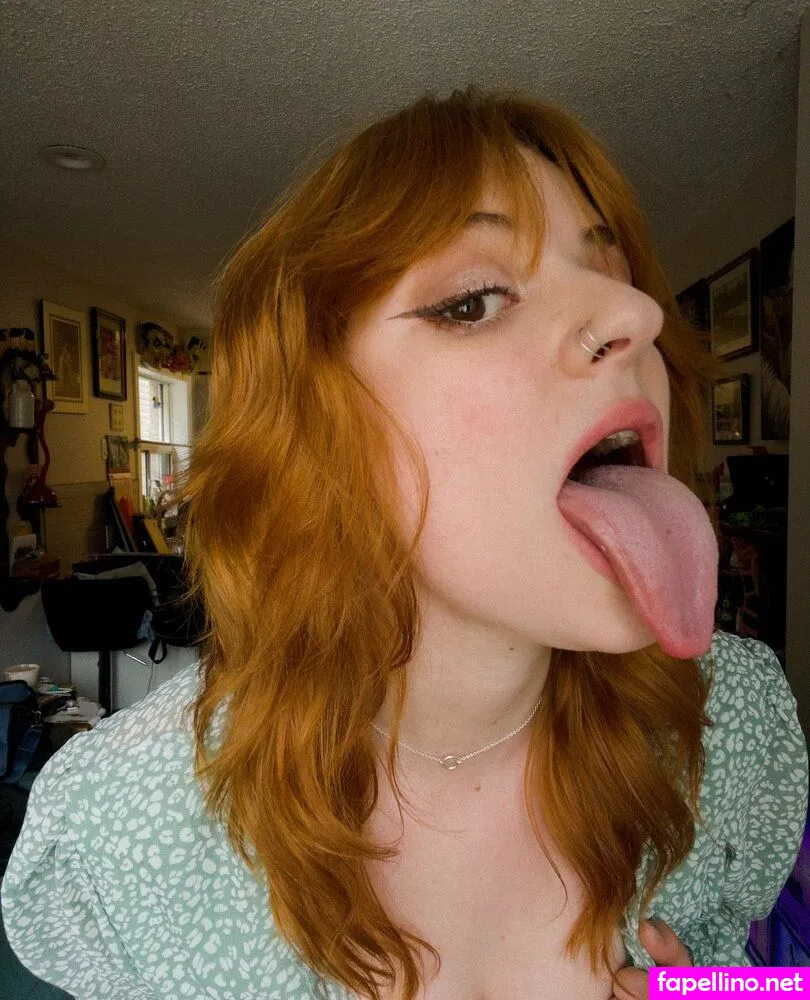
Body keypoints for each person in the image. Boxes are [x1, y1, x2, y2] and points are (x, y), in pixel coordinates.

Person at [2, 86, 807, 1000]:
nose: (639, 316)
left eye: (615, 273)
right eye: (474, 300)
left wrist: (718, 993)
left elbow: (773, 979)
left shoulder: (727, 724)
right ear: (313, 428)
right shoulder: (124, 824)